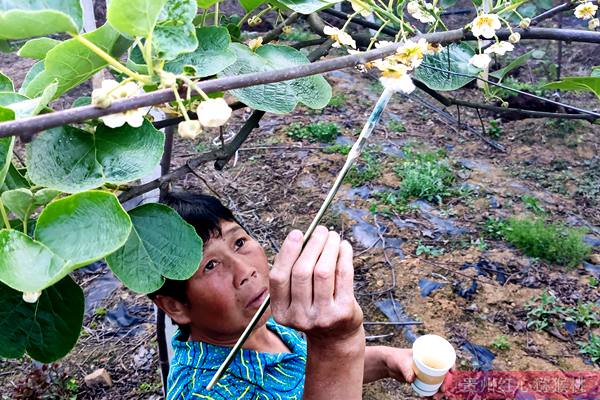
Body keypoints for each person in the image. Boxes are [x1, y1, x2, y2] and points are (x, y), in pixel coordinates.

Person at [150, 192, 438, 399]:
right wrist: (336, 345)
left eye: (239, 242)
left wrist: (386, 360)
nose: (245, 270)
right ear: (175, 305)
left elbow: (303, 371)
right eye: (210, 265)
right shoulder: (205, 392)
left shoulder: (257, 324)